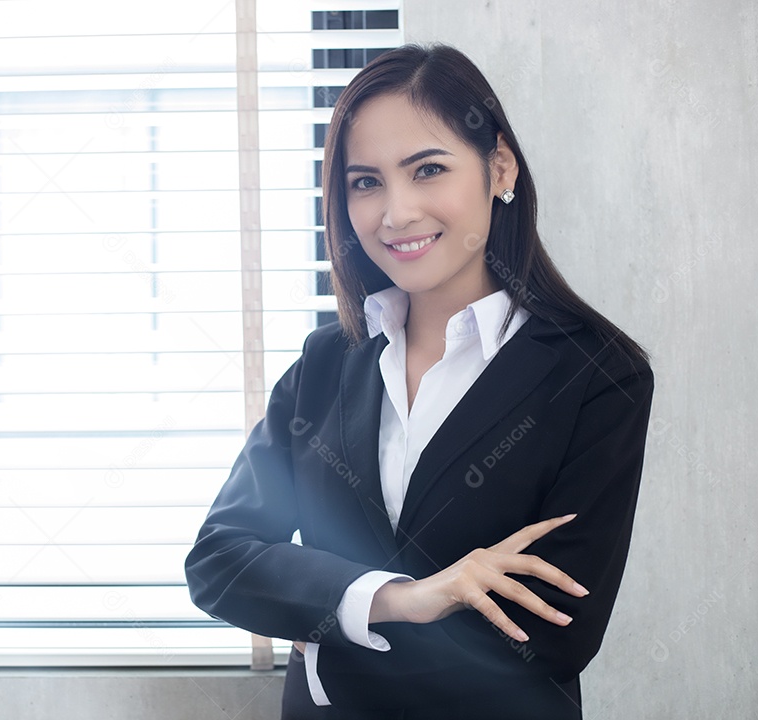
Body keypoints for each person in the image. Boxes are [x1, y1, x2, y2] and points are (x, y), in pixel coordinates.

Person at [184, 43, 655, 720]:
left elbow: (549, 637)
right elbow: (220, 561)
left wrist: (323, 632)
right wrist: (403, 597)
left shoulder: (595, 373)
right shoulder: (326, 363)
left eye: (427, 169)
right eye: (365, 182)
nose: (395, 213)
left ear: (499, 167)